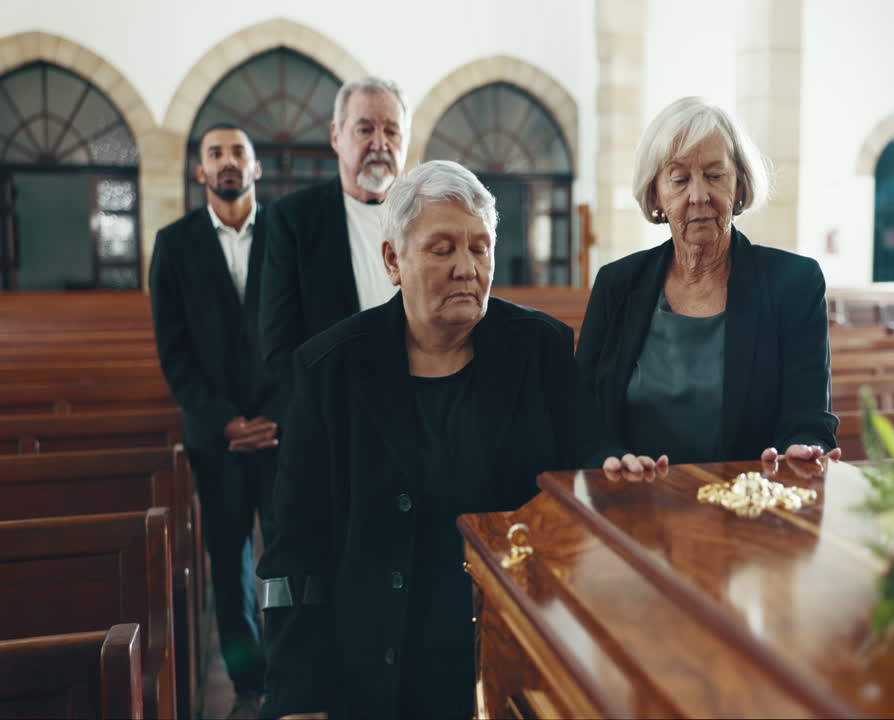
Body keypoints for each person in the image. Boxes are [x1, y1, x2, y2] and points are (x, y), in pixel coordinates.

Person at [257, 161, 663, 720]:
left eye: (480, 247)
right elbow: (293, 551)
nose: (467, 269)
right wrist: (298, 699)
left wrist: (613, 468)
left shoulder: (538, 348)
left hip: (510, 645)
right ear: (393, 261)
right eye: (442, 249)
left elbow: (584, 453)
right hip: (377, 663)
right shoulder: (329, 369)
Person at [576, 97, 840, 466]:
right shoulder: (617, 284)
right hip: (634, 503)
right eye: (680, 179)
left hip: (748, 506)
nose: (699, 196)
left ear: (741, 185)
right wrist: (610, 458)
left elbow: (809, 419)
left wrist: (802, 448)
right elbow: (583, 416)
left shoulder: (794, 283)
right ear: (655, 195)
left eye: (715, 176)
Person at [149, 123, 281, 719]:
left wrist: (277, 414)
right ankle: (249, 680)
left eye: (239, 153)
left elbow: (304, 334)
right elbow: (174, 351)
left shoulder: (287, 233)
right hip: (216, 437)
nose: (228, 162)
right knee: (228, 561)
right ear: (199, 171)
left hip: (283, 431)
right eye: (215, 154)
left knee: (287, 552)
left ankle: (290, 664)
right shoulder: (174, 245)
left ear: (256, 168)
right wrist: (226, 420)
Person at [258, 76, 410, 392]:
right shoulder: (293, 219)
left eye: (392, 131)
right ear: (336, 136)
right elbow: (279, 343)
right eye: (365, 129)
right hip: (334, 403)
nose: (380, 144)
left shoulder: (425, 215)